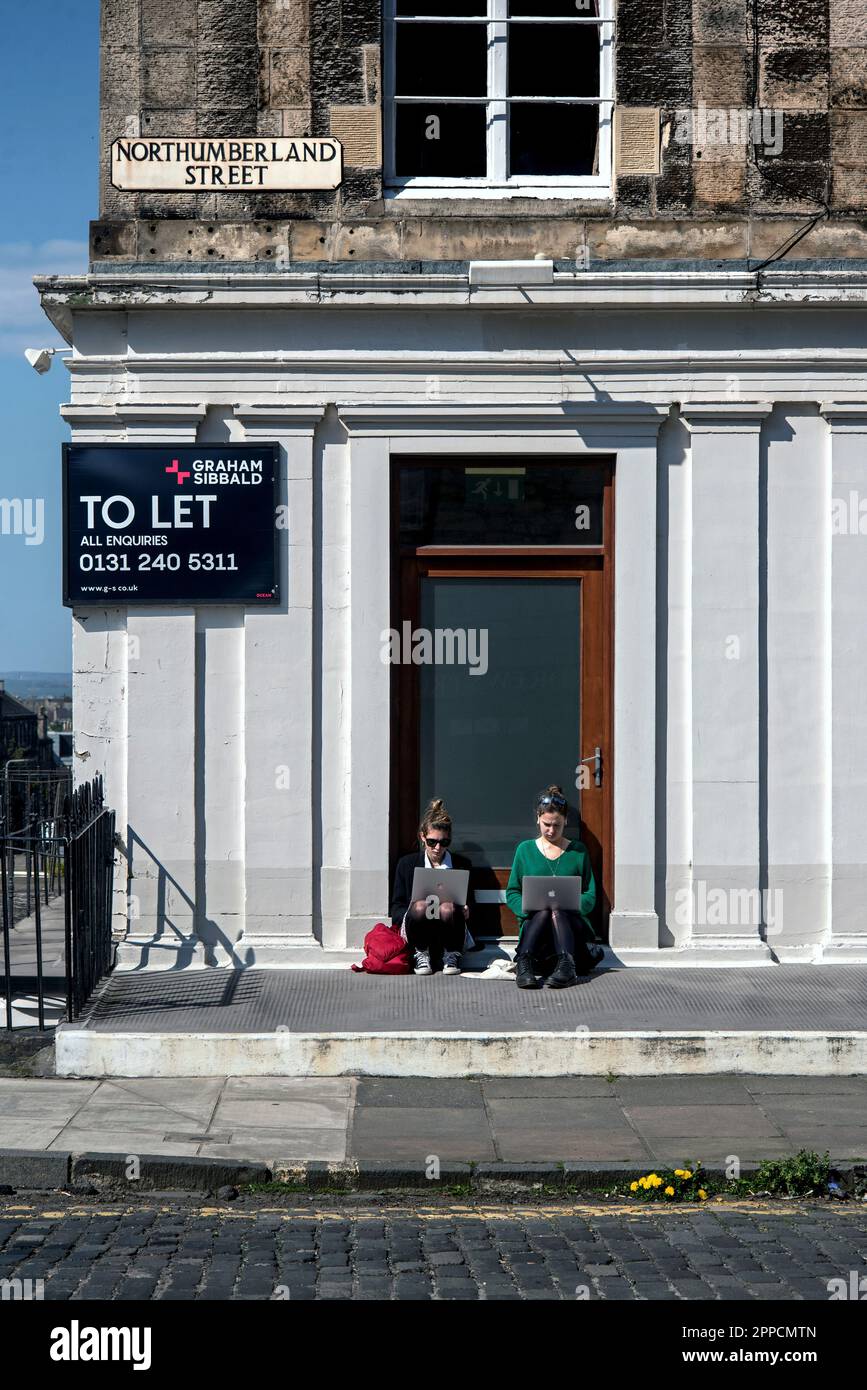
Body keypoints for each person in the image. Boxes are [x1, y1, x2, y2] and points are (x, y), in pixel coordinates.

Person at [505, 785, 602, 989]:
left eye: (556, 825)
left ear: (565, 821)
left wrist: (570, 905)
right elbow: (512, 892)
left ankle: (567, 965)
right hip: (538, 932)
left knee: (556, 909)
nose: (551, 830)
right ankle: (525, 961)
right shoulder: (525, 850)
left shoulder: (578, 851)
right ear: (538, 819)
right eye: (546, 824)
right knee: (543, 910)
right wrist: (527, 907)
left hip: (572, 930)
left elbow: (590, 894)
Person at [390, 798, 475, 975]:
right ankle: (421, 953)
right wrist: (413, 911)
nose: (437, 848)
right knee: (421, 906)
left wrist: (467, 910)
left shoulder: (461, 865)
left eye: (444, 843)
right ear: (422, 837)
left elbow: (471, 903)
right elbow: (397, 906)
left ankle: (451, 954)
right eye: (432, 842)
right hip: (418, 929)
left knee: (447, 907)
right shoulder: (406, 864)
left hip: (450, 927)